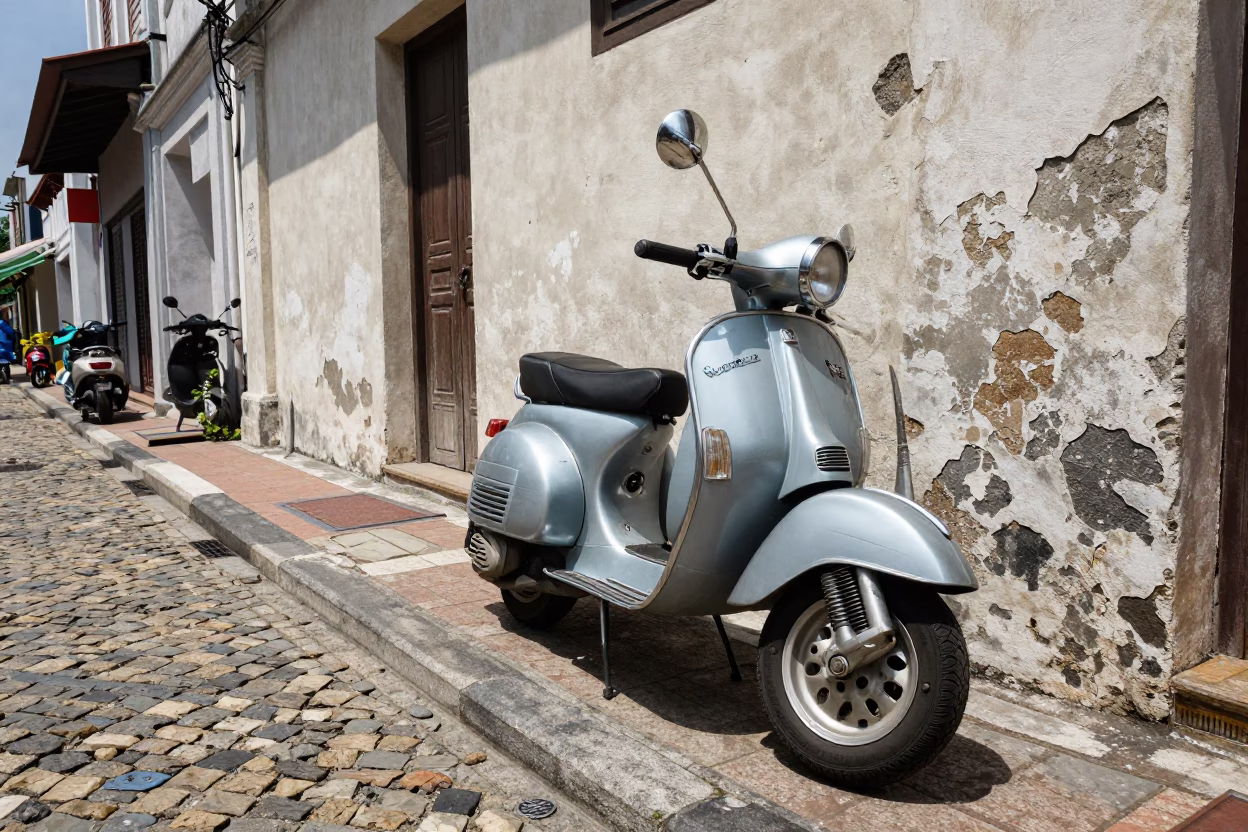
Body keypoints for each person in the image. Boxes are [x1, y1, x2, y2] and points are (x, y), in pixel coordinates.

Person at [0, 311, 18, 384]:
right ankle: (6, 376)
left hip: (3, 346)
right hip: (4, 346)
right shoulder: (1, 323)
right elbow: (11, 332)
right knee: (5, 362)